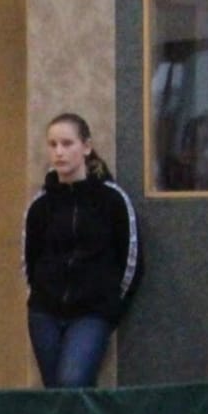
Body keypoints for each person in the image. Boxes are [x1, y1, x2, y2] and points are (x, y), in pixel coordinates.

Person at [22, 113, 140, 388]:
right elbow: (29, 259)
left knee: (72, 381)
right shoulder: (40, 205)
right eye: (53, 144)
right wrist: (39, 295)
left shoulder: (112, 200)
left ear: (86, 147)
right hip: (45, 312)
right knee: (54, 390)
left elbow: (131, 259)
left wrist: (112, 304)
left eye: (67, 143)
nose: (59, 152)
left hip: (92, 312)